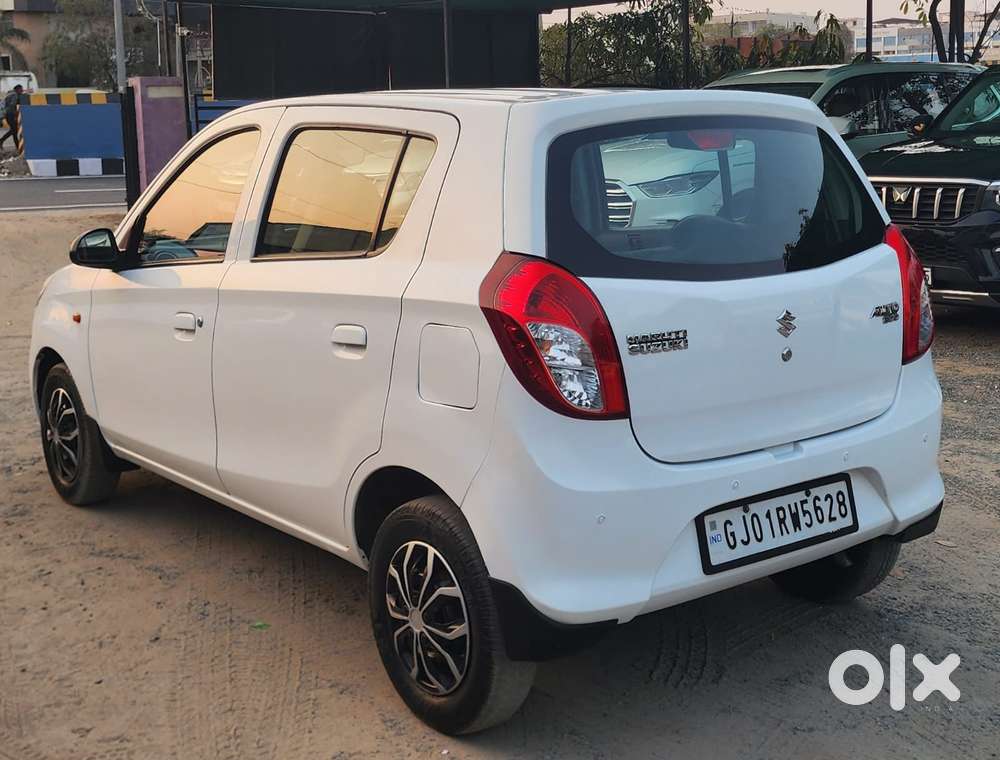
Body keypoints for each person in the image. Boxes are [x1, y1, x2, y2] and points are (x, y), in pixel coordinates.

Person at [1, 84, 24, 152]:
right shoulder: (15, 95)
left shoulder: (10, 94)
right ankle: (17, 147)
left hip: (7, 115)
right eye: (21, 89)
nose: (22, 91)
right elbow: (12, 105)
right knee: (14, 131)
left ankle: (17, 147)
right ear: (17, 89)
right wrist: (15, 115)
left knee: (14, 131)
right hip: (11, 115)